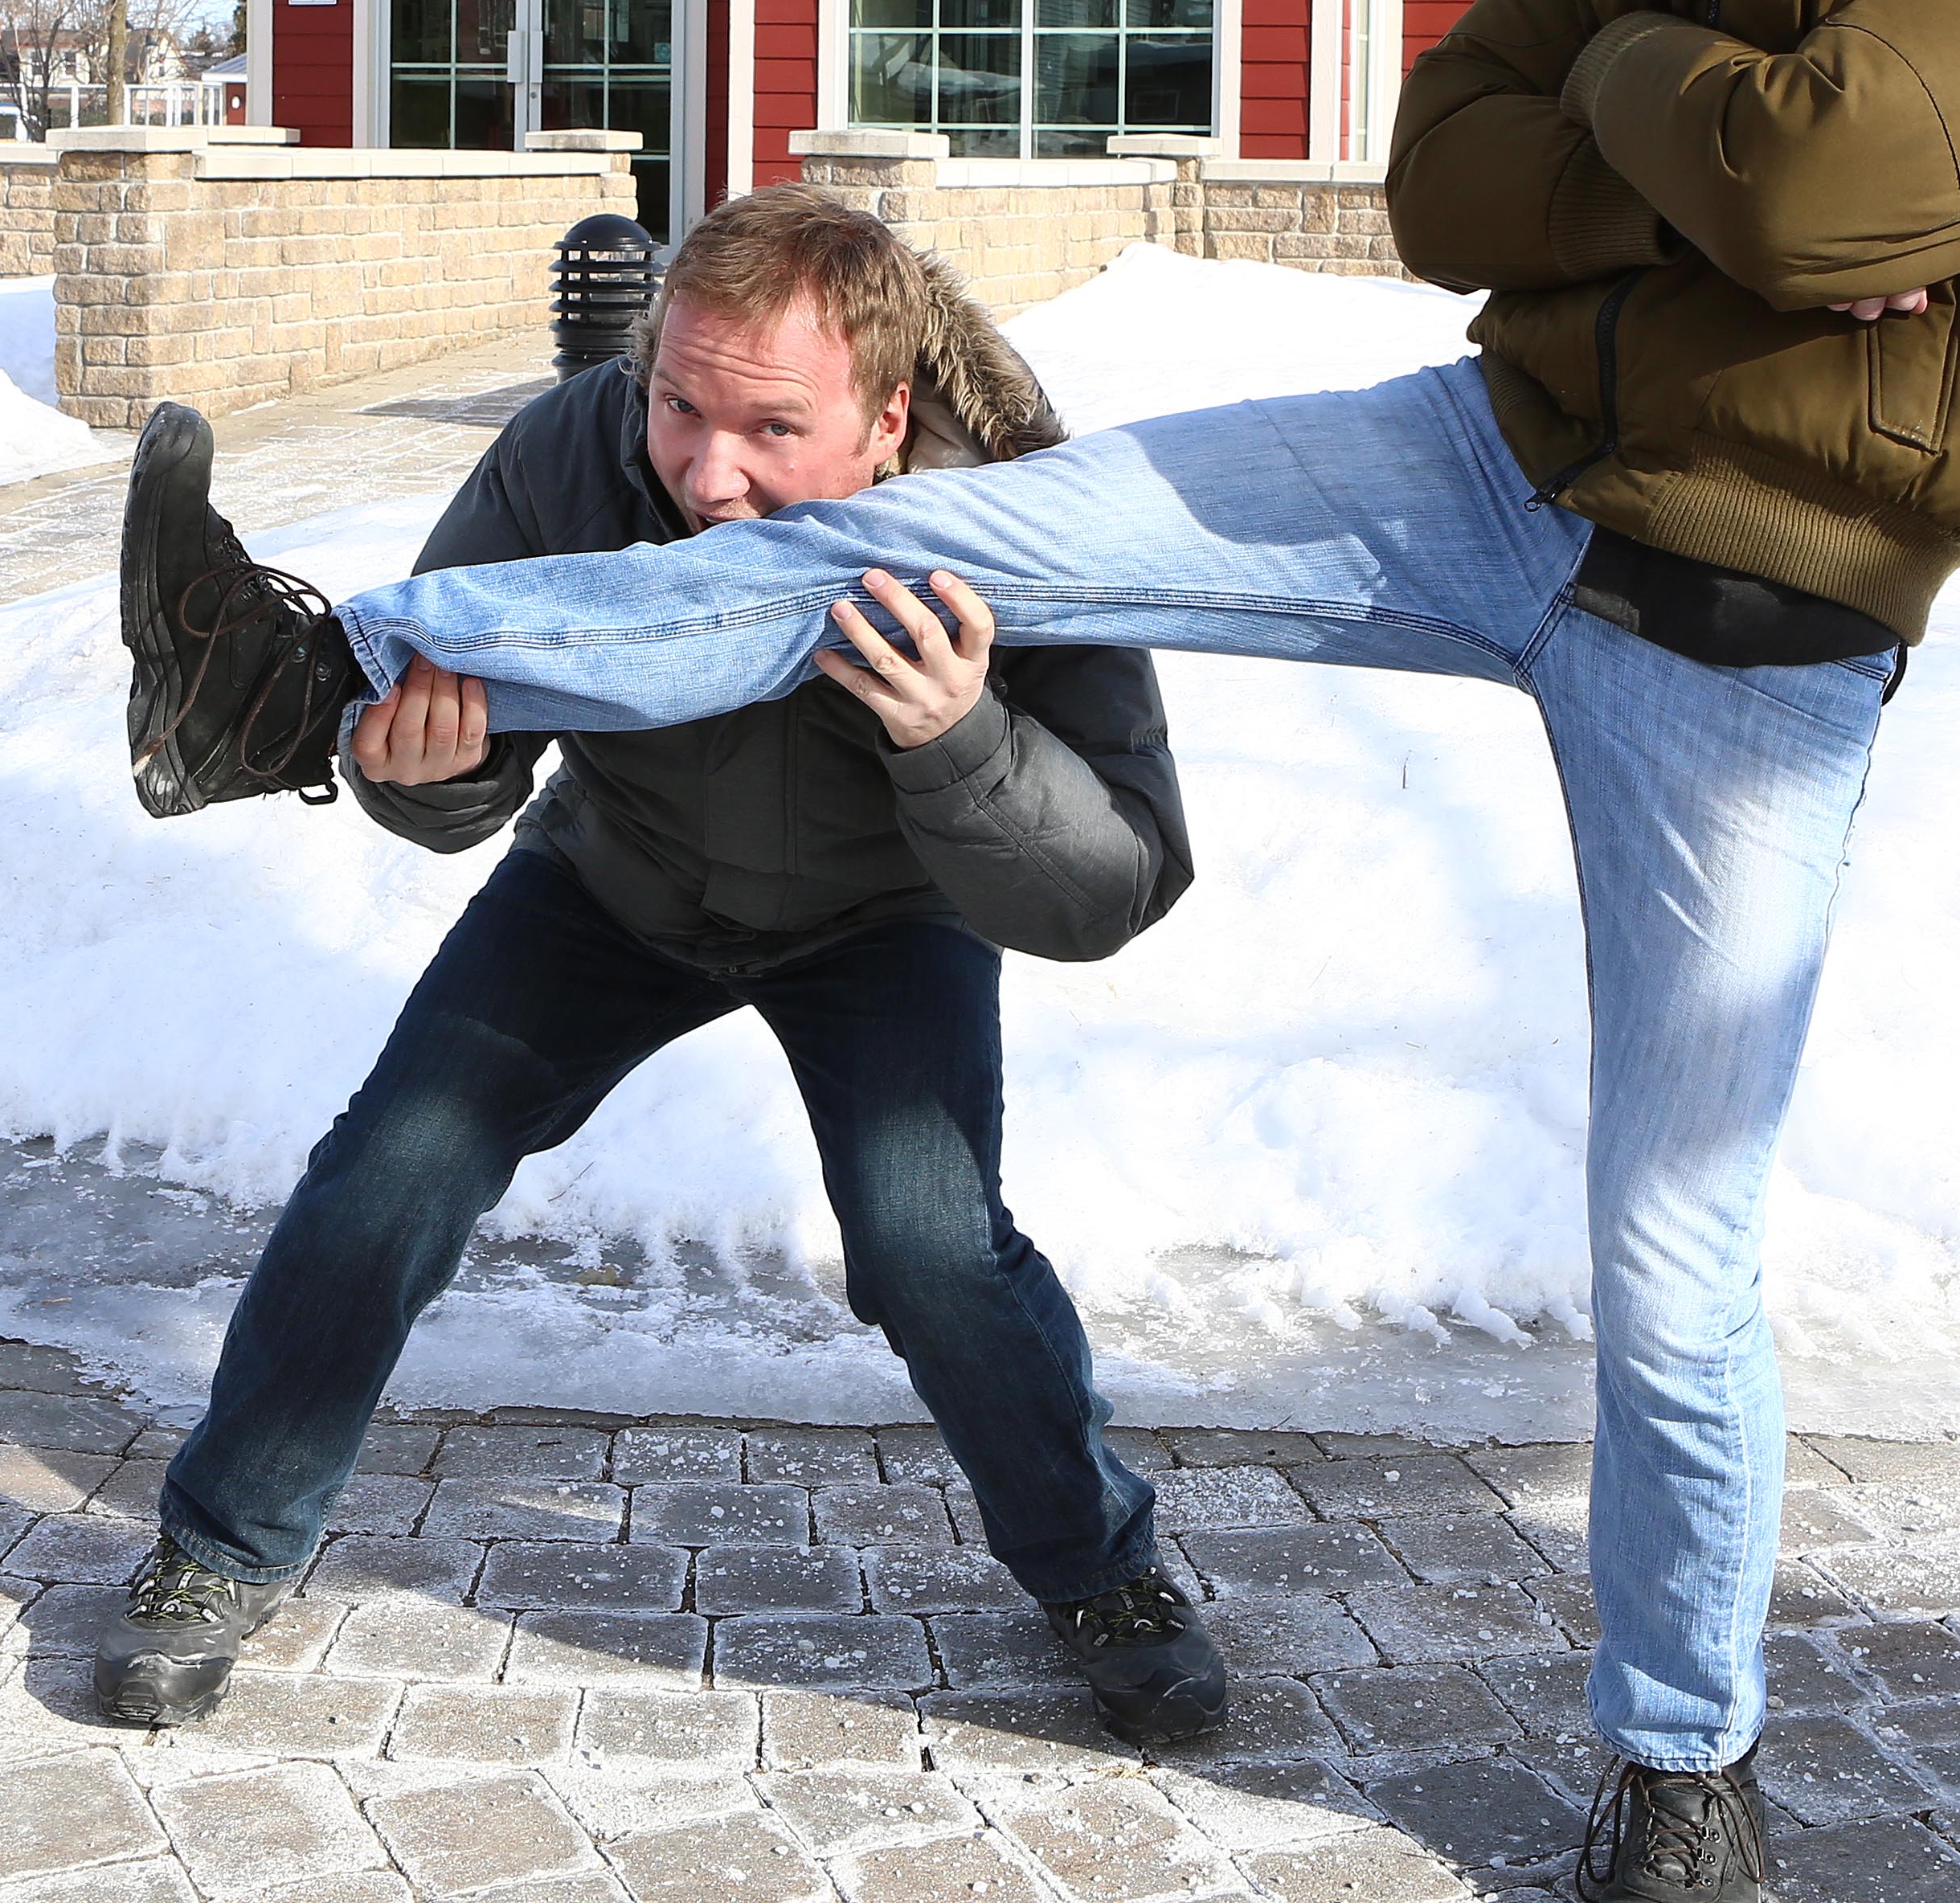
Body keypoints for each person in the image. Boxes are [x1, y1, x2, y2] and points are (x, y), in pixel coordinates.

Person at [121, 0, 1960, 1897]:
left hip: (1755, 614)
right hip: (1495, 462)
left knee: (1673, 1237)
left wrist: (1661, 108)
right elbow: (1447, 179)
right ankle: (297, 674)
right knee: (963, 550)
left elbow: (1833, 176)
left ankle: (1684, 1764)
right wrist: (1722, 168)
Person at [102, 183, 1220, 1742]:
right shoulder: (570, 451)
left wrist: (956, 738)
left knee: (928, 1243)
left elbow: (1113, 882)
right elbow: (455, 771)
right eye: (677, 404)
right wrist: (429, 769)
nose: (705, 468)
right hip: (615, 879)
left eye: (768, 426)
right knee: (387, 1173)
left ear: (886, 418)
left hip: (886, 913)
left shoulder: (1026, 519)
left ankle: (1102, 1569)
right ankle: (221, 1543)